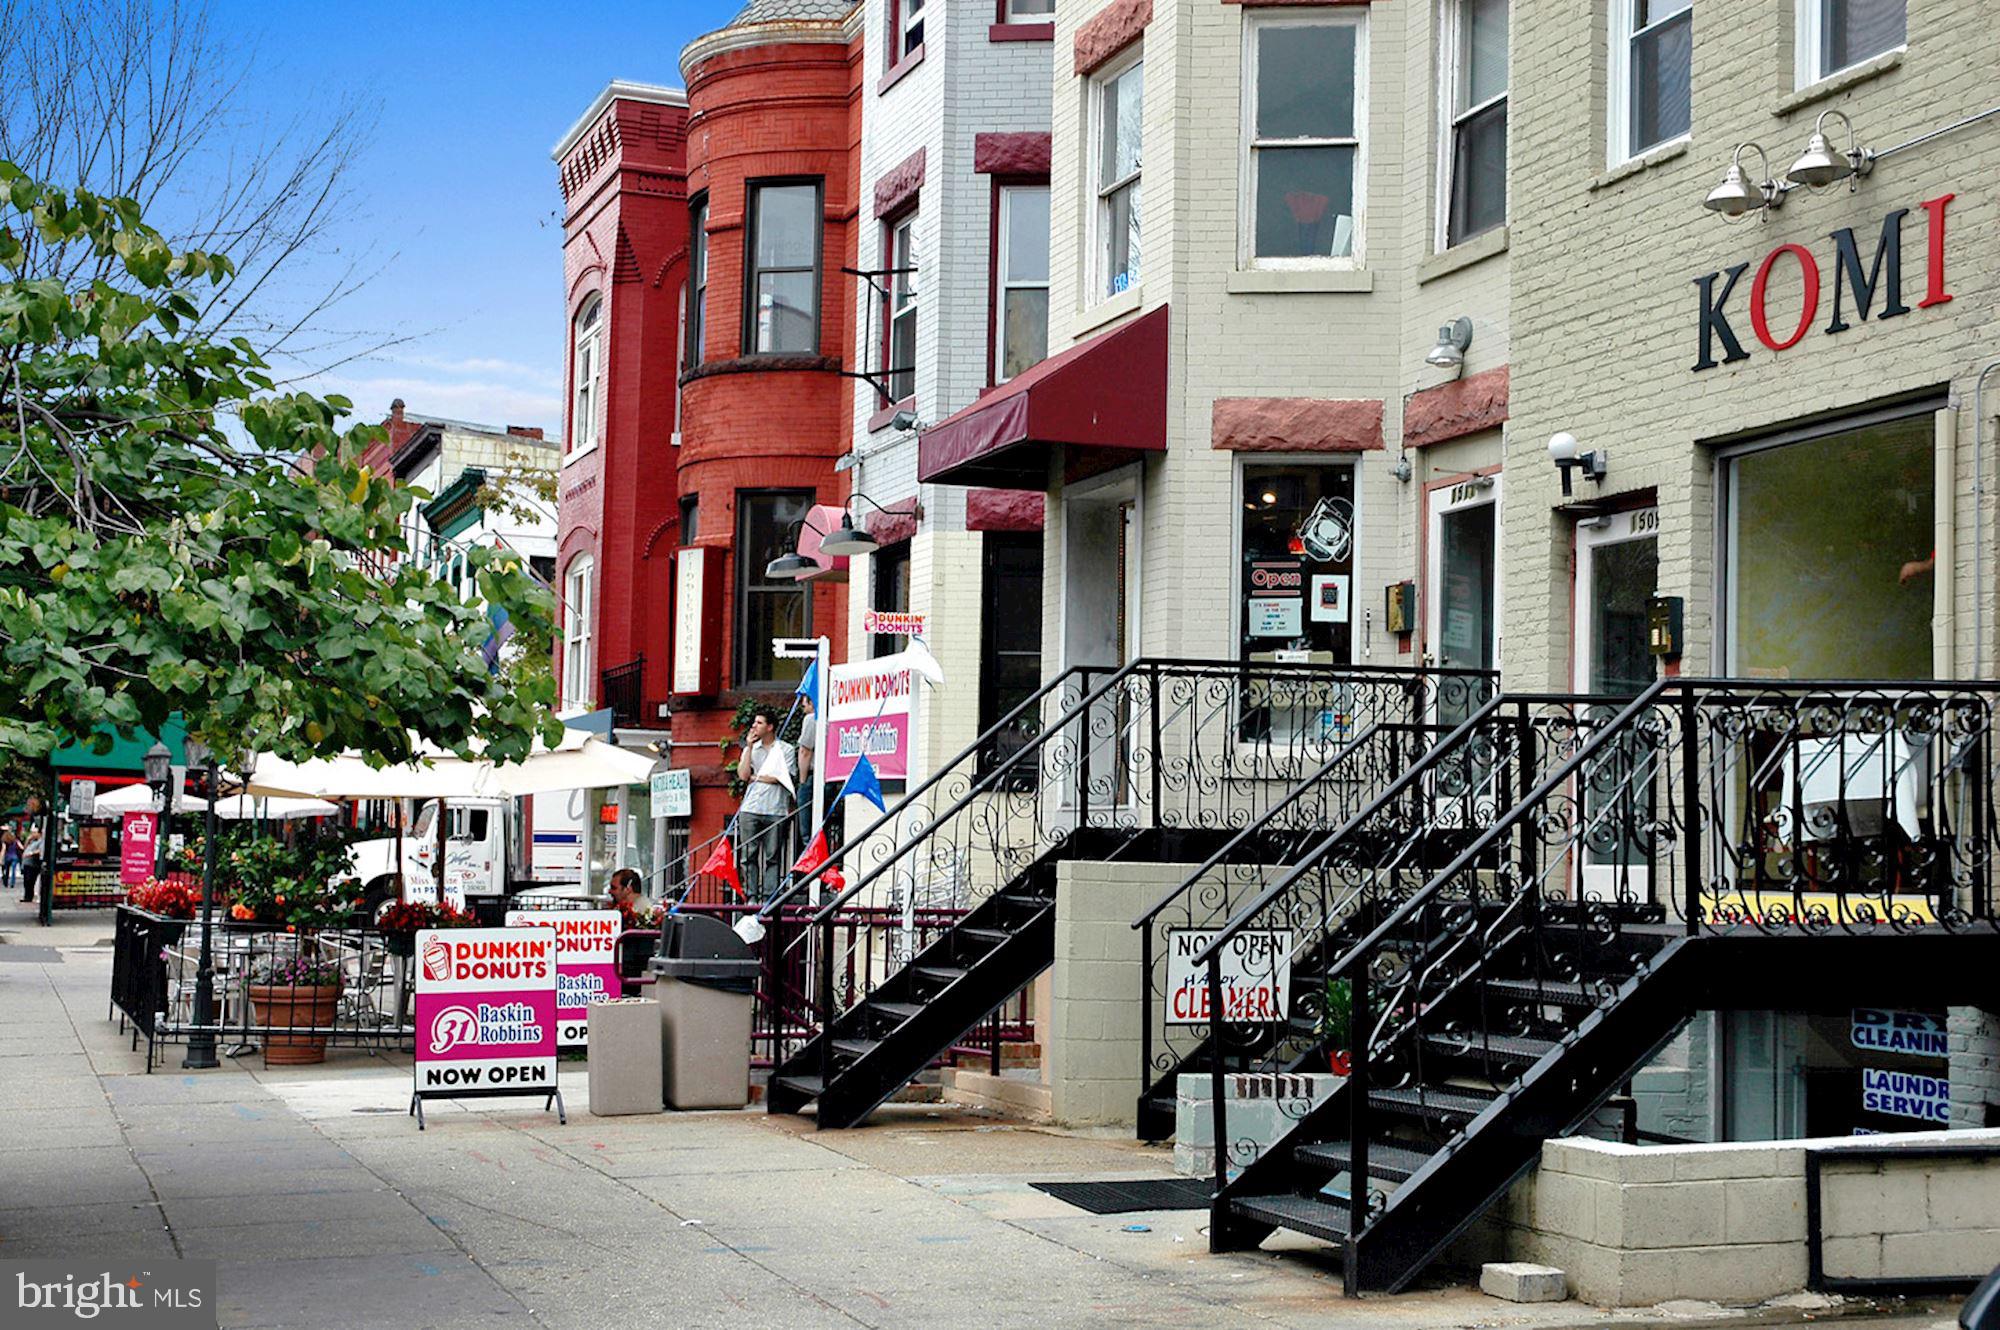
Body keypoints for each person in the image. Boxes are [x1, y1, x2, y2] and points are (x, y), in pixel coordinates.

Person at [735, 705, 795, 902]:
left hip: (775, 808)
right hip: (750, 808)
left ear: (770, 727)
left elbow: (781, 777)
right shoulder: (750, 749)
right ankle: (751, 896)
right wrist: (749, 748)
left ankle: (769, 895)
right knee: (748, 855)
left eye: (759, 723)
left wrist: (757, 777)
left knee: (773, 856)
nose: (754, 726)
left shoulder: (785, 749)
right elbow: (743, 775)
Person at [793, 693, 818, 851]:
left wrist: (802, 781)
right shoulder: (834, 718)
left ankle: (812, 868)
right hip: (829, 778)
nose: (803, 710)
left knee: (807, 831)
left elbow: (805, 751)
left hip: (811, 777)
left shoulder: (811, 719)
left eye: (804, 706)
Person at [20, 796, 44, 905]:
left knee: (30, 880)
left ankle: (29, 896)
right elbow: (24, 848)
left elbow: (40, 851)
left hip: (33, 864)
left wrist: (31, 853)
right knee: (26, 881)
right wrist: (28, 839)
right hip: (27, 863)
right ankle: (26, 896)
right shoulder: (32, 841)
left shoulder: (40, 841)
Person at [0, 828, 18, 894]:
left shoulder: (4, 840)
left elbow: (3, 849)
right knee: (13, 870)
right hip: (14, 856)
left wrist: (1, 859)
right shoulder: (14, 840)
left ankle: (6, 882)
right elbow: (21, 847)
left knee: (6, 870)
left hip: (7, 857)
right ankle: (12, 883)